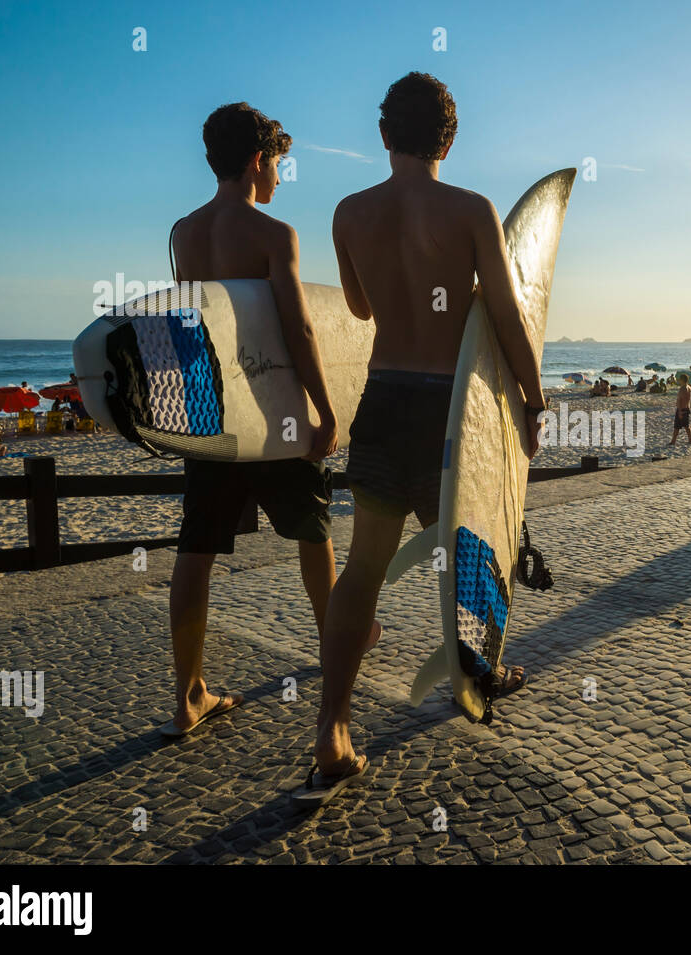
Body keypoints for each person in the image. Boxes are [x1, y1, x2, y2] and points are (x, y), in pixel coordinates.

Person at [302, 72, 542, 804]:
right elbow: (506, 312)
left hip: (385, 399)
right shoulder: (472, 210)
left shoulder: (348, 213)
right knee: (472, 549)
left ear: (383, 135)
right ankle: (480, 670)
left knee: (362, 570)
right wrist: (533, 397)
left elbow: (360, 305)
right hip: (450, 411)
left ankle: (332, 732)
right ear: (450, 138)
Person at [162, 102, 352, 739]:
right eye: (276, 163)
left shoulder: (182, 234)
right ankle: (336, 655)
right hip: (273, 415)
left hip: (211, 416)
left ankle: (190, 695)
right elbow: (297, 327)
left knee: (197, 549)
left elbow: (195, 327)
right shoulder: (275, 235)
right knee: (312, 531)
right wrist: (325, 411)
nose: (278, 175)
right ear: (254, 160)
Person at [670, 372, 691, 445]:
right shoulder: (689, 387)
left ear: (682, 380)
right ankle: (690, 440)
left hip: (681, 408)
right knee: (686, 426)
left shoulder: (682, 389)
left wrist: (680, 411)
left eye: (680, 379)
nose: (679, 380)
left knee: (677, 426)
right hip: (686, 408)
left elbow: (680, 400)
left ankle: (673, 441)